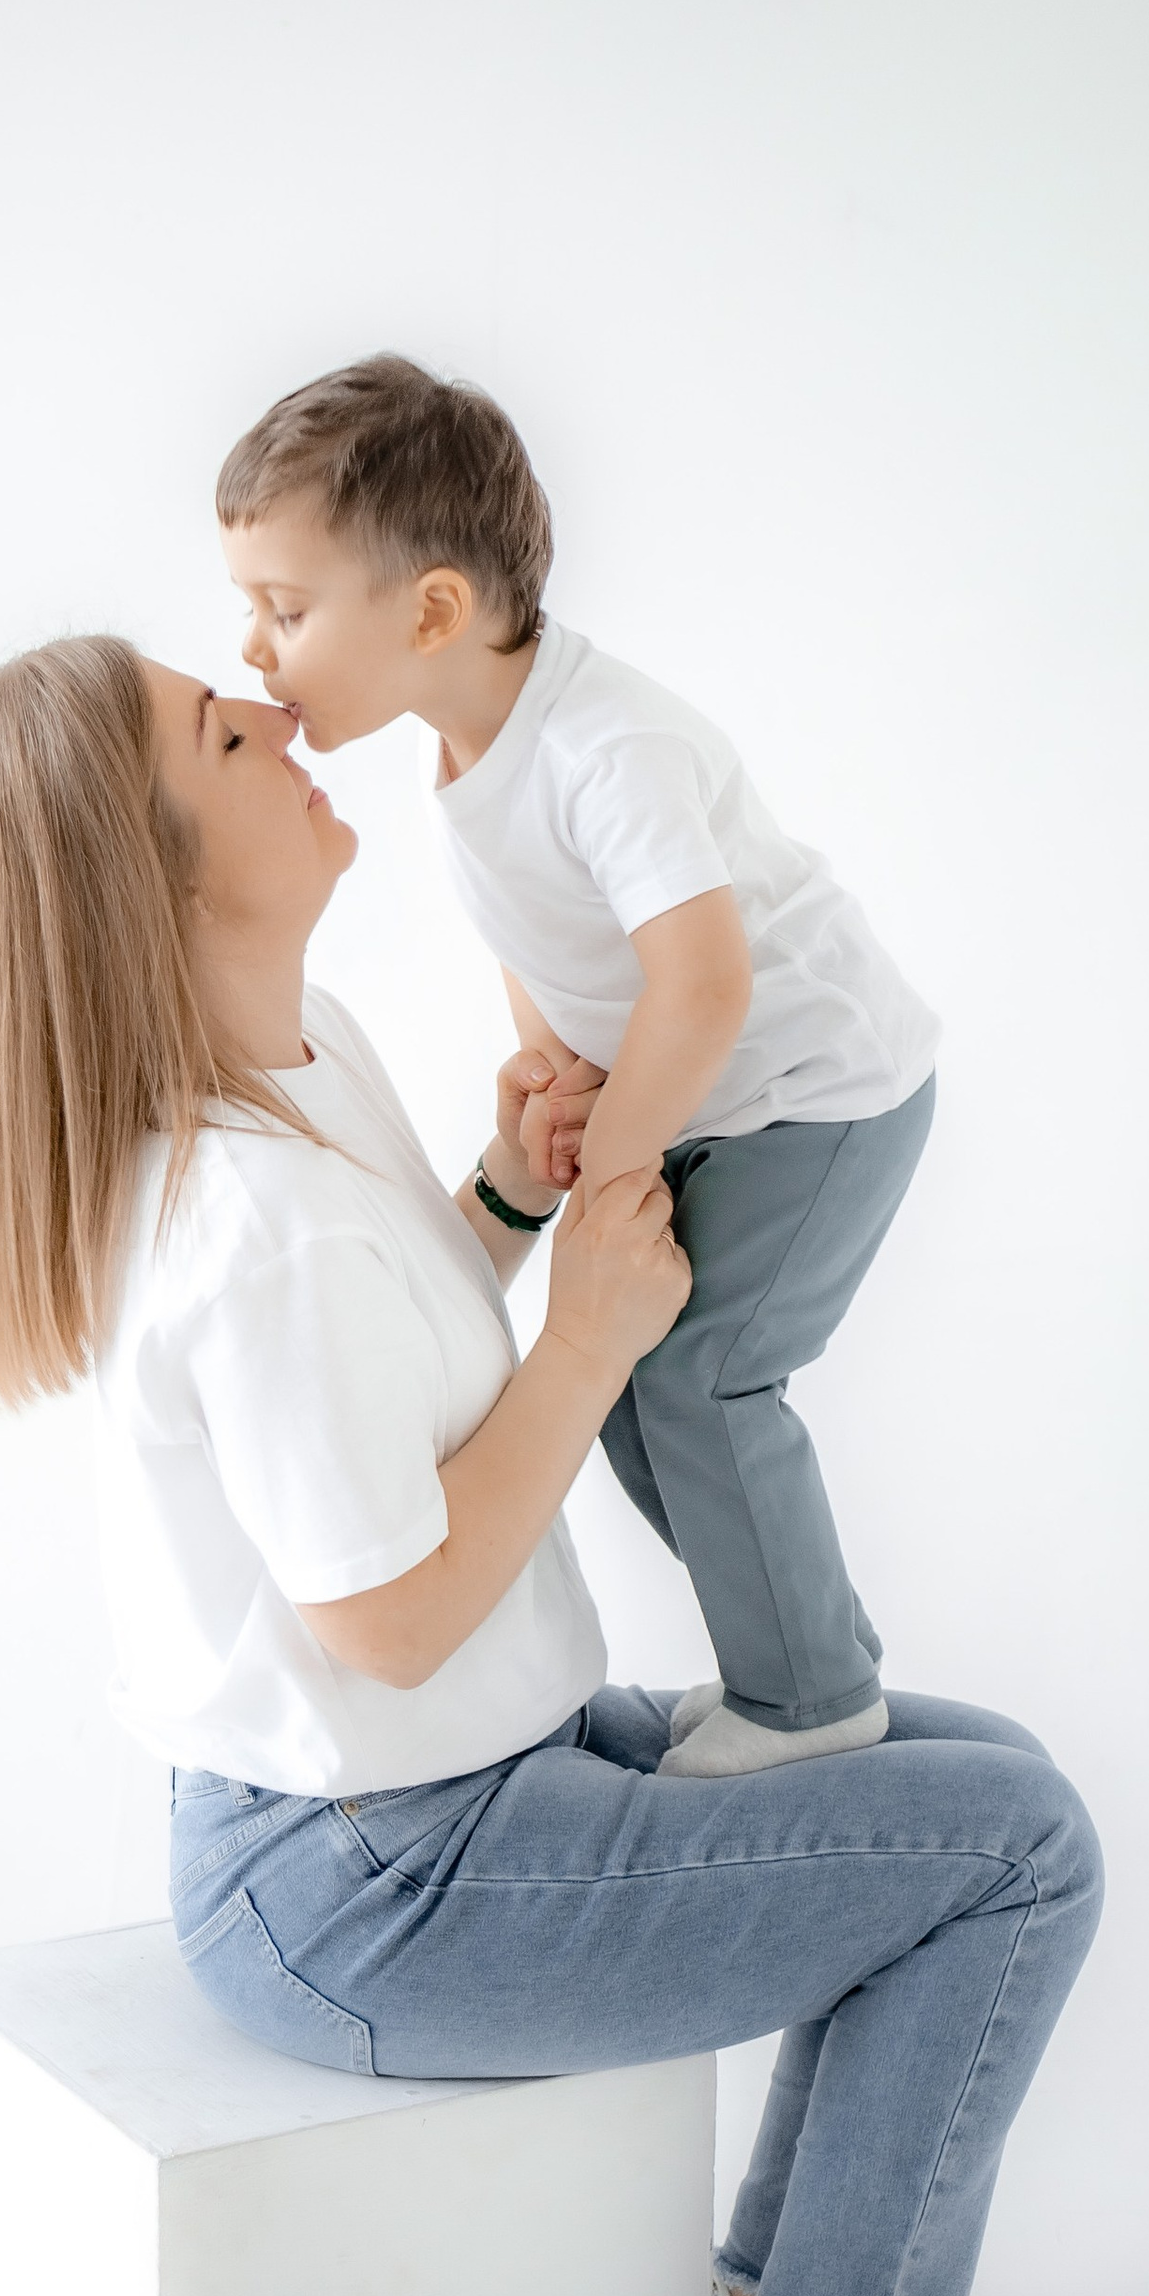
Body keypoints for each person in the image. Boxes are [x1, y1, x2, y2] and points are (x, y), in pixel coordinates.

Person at [0, 629, 1102, 2296]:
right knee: (1011, 1851)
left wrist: (501, 1197)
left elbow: (387, 1378)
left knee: (960, 1774)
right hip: (384, 1884)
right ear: (149, 870)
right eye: (219, 729)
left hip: (445, 1792)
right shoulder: (239, 1221)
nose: (278, 714)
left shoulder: (302, 1056)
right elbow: (389, 1614)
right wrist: (591, 1341)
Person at [217, 354, 939, 1780]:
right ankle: (788, 1644)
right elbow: (532, 918)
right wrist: (553, 1062)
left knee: (701, 1381)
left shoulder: (607, 749)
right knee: (626, 1396)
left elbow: (708, 977)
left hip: (817, 1093)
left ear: (431, 610)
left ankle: (813, 1696)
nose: (254, 653)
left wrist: (616, 1173)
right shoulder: (469, 742)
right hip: (709, 1095)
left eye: (283, 610)